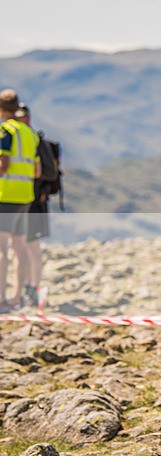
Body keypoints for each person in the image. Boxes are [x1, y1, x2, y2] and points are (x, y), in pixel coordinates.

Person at [0, 89, 40, 312]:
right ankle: (18, 297)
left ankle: (1, 299)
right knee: (20, 248)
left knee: (1, 249)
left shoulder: (6, 131)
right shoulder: (29, 133)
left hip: (5, 195)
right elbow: (36, 171)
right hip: (25, 196)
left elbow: (3, 165)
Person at [15, 103, 57, 307]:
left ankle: (33, 288)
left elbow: (49, 173)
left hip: (34, 203)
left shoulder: (36, 141)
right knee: (19, 247)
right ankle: (22, 289)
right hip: (19, 201)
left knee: (31, 247)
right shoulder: (14, 141)